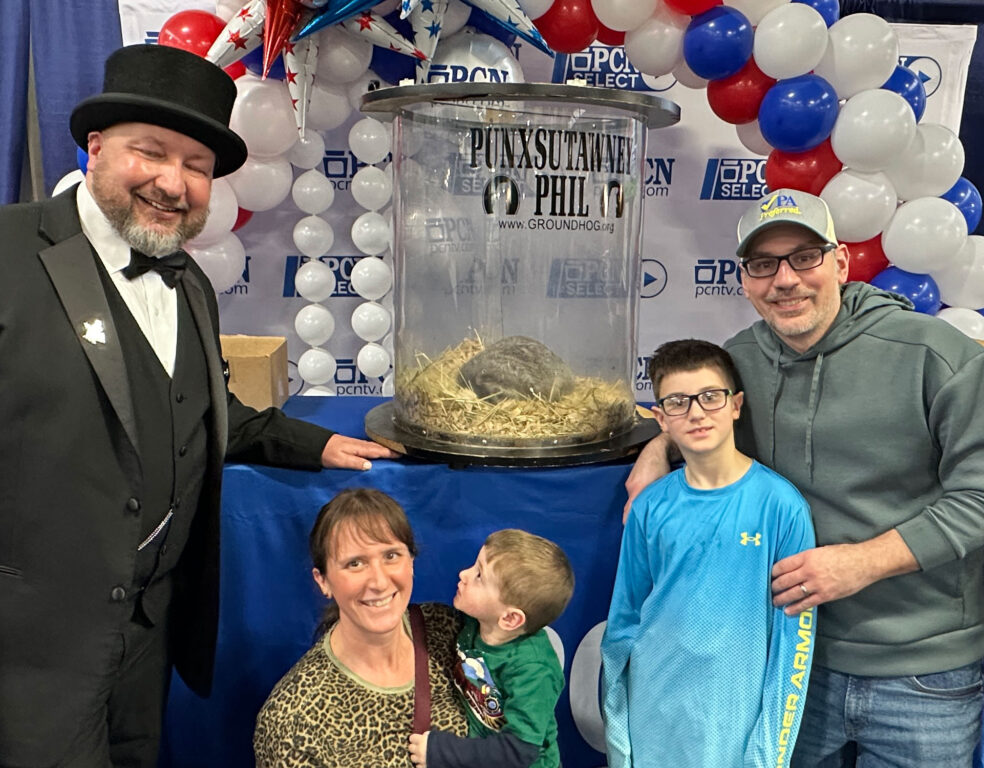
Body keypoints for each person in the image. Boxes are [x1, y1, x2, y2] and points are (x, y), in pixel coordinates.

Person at [0, 44, 395, 767]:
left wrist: (312, 443)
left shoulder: (190, 284)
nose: (172, 183)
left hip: (148, 637)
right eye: (150, 153)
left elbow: (193, 406)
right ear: (96, 148)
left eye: (197, 167)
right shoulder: (7, 252)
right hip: (30, 647)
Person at [625, 188, 984, 767]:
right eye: (764, 264)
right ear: (745, 281)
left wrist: (863, 561)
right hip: (787, 658)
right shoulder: (739, 360)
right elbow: (704, 413)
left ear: (840, 262)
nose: (785, 280)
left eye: (804, 257)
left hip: (922, 669)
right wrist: (659, 447)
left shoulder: (937, 355)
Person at [603, 339, 815, 768]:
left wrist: (769, 755)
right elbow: (623, 626)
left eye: (710, 397)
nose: (696, 413)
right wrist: (620, 743)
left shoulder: (781, 506)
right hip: (653, 721)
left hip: (734, 728)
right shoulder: (649, 507)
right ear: (661, 419)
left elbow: (793, 645)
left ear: (736, 405)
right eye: (678, 402)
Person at [253, 488, 467, 765]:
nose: (379, 581)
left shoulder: (450, 632)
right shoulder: (293, 720)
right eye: (355, 563)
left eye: (391, 556)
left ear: (411, 562)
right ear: (323, 581)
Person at [409, 529, 574, 768]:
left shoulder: (534, 670)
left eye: (479, 576)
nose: (463, 574)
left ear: (509, 619)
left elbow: (519, 751)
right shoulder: (474, 623)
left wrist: (442, 752)